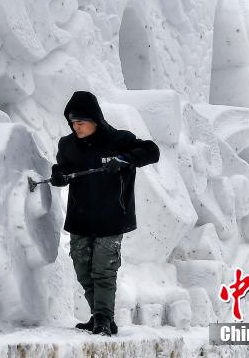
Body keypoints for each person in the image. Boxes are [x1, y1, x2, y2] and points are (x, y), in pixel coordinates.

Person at [50, 90, 160, 336]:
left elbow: (152, 151)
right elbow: (64, 169)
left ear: (95, 120)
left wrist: (125, 159)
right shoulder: (67, 145)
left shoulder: (120, 139)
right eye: (72, 122)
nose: (75, 127)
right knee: (82, 269)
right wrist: (58, 174)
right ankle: (100, 316)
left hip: (112, 216)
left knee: (103, 269)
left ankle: (102, 317)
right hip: (80, 217)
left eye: (80, 122)